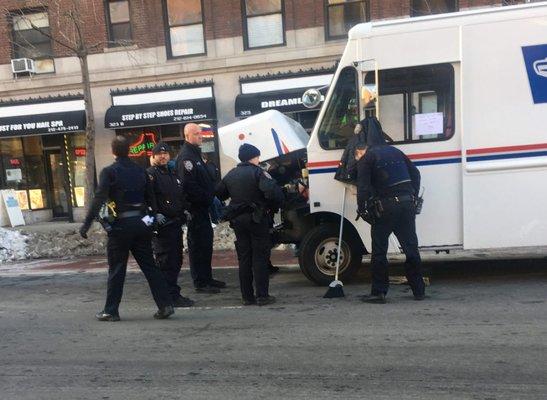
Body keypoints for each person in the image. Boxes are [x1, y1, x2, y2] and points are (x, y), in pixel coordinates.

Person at [79, 136, 174, 321]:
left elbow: (99, 199)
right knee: (150, 267)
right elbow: (151, 199)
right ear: (129, 150)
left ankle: (111, 310)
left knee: (117, 268)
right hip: (141, 223)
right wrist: (150, 221)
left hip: (120, 226)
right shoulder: (140, 171)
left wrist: (87, 224)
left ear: (113, 151)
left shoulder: (109, 172)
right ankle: (165, 304)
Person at [354, 120, 425, 304]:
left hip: (385, 208)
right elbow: (415, 174)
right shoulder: (397, 152)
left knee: (379, 251)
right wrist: (412, 195)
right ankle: (418, 289)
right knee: (410, 247)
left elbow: (362, 188)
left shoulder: (367, 158)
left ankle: (379, 292)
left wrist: (362, 209)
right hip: (407, 205)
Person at [216, 143, 284, 306]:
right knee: (260, 258)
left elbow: (219, 193)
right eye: (258, 156)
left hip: (238, 221)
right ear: (253, 157)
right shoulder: (258, 172)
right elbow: (273, 193)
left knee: (244, 258)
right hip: (257, 219)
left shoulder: (231, 174)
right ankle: (262, 295)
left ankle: (247, 296)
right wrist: (271, 206)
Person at [176, 123, 226, 293]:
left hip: (203, 208)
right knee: (198, 246)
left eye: (201, 133)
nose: (200, 136)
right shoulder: (186, 158)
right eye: (196, 134)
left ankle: (207, 277)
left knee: (206, 244)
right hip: (195, 209)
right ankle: (200, 281)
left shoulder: (196, 155)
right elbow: (188, 186)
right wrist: (207, 198)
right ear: (187, 136)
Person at [147, 142, 194, 308]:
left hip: (175, 224)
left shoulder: (172, 173)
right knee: (166, 262)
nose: (163, 156)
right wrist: (154, 214)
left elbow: (179, 196)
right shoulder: (150, 175)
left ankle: (173, 294)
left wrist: (185, 210)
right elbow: (147, 198)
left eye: (165, 153)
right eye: (159, 153)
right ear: (152, 156)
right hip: (162, 227)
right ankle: (168, 297)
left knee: (176, 261)